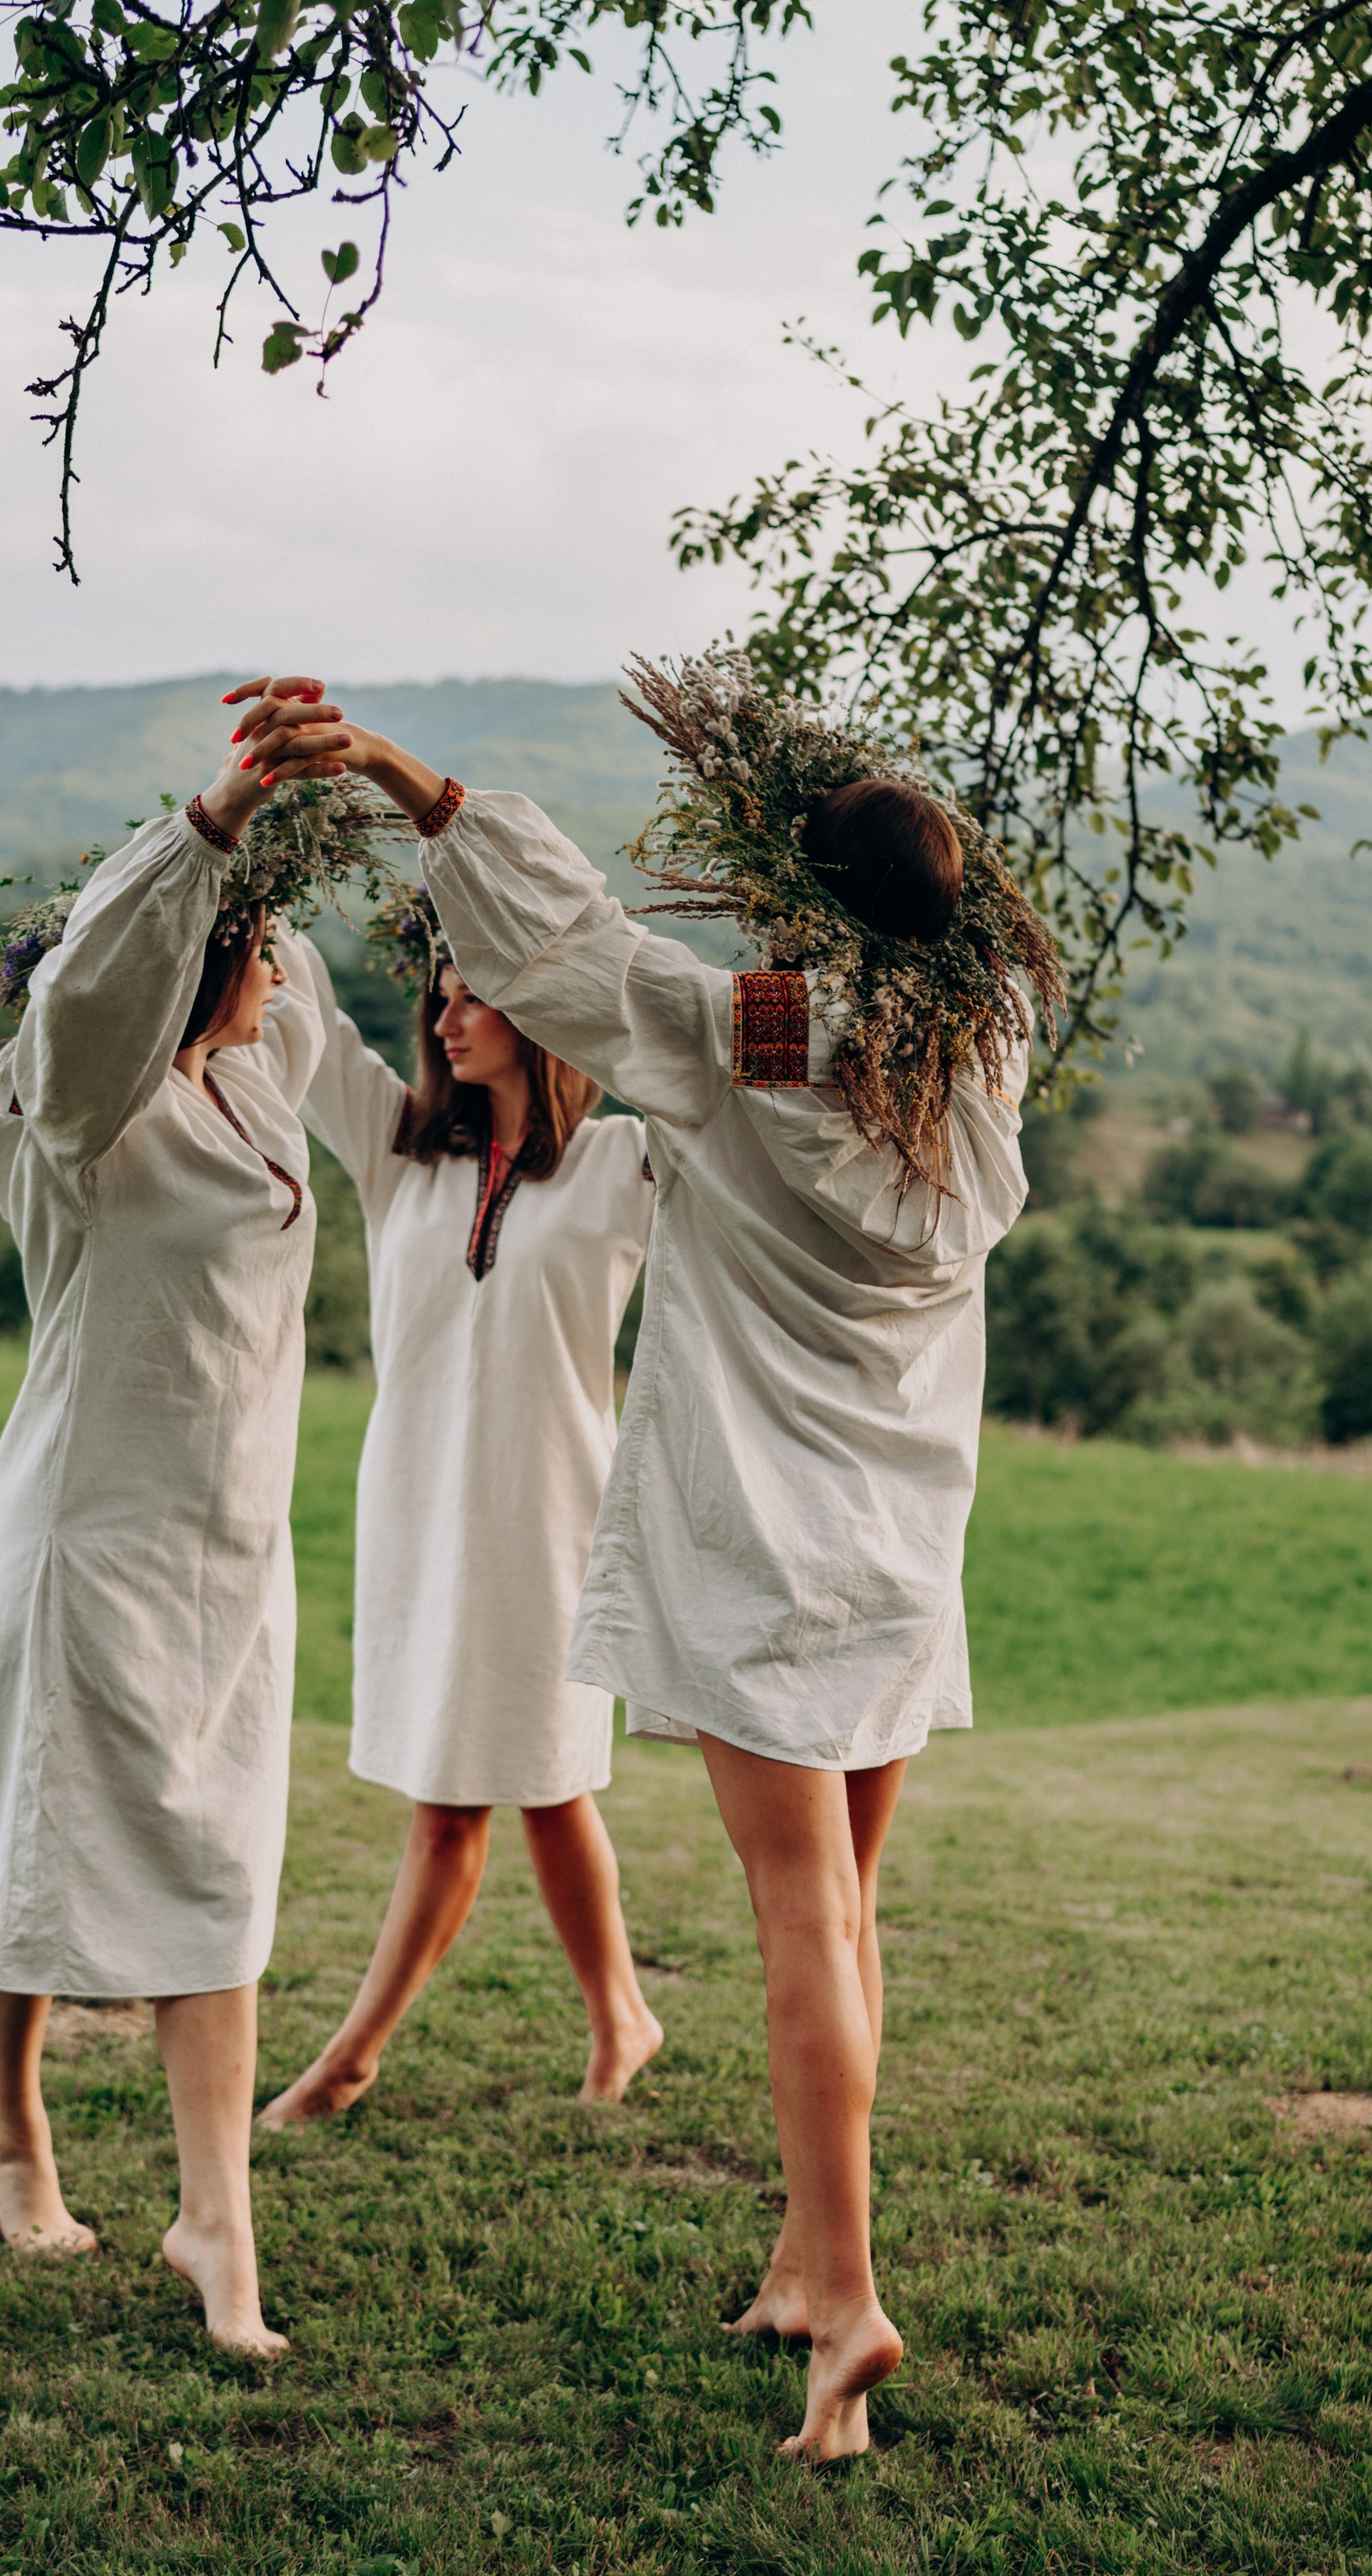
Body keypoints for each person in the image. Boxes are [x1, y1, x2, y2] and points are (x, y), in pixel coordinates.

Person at [230, 663, 1050, 2455]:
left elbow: (567, 944)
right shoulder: (974, 1075)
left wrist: (386, 765)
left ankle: (845, 2293)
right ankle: (795, 2249)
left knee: (794, 1925)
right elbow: (920, 951)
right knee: (848, 1913)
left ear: (792, 906)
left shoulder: (753, 1033)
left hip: (766, 1545)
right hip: (904, 1548)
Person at [0, 683, 359, 2358]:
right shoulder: (77, 1118)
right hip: (89, 1536)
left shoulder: (258, 1086)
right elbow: (85, 1004)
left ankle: (215, 2219)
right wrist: (202, 826)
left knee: (217, 1862)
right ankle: (10, 2114)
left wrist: (321, 797)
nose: (273, 969)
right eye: (249, 948)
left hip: (225, 1546)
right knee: (43, 1853)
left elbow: (310, 1006)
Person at [259, 895, 661, 2130]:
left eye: (474, 989)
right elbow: (313, 1028)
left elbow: (730, 1106)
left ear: (542, 1011)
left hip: (547, 1523)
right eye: (439, 989)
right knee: (539, 1788)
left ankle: (350, 2055)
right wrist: (254, 885)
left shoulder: (619, 1163)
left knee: (473, 1794)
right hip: (421, 1512)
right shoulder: (402, 1152)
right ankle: (623, 2016)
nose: (445, 1012)